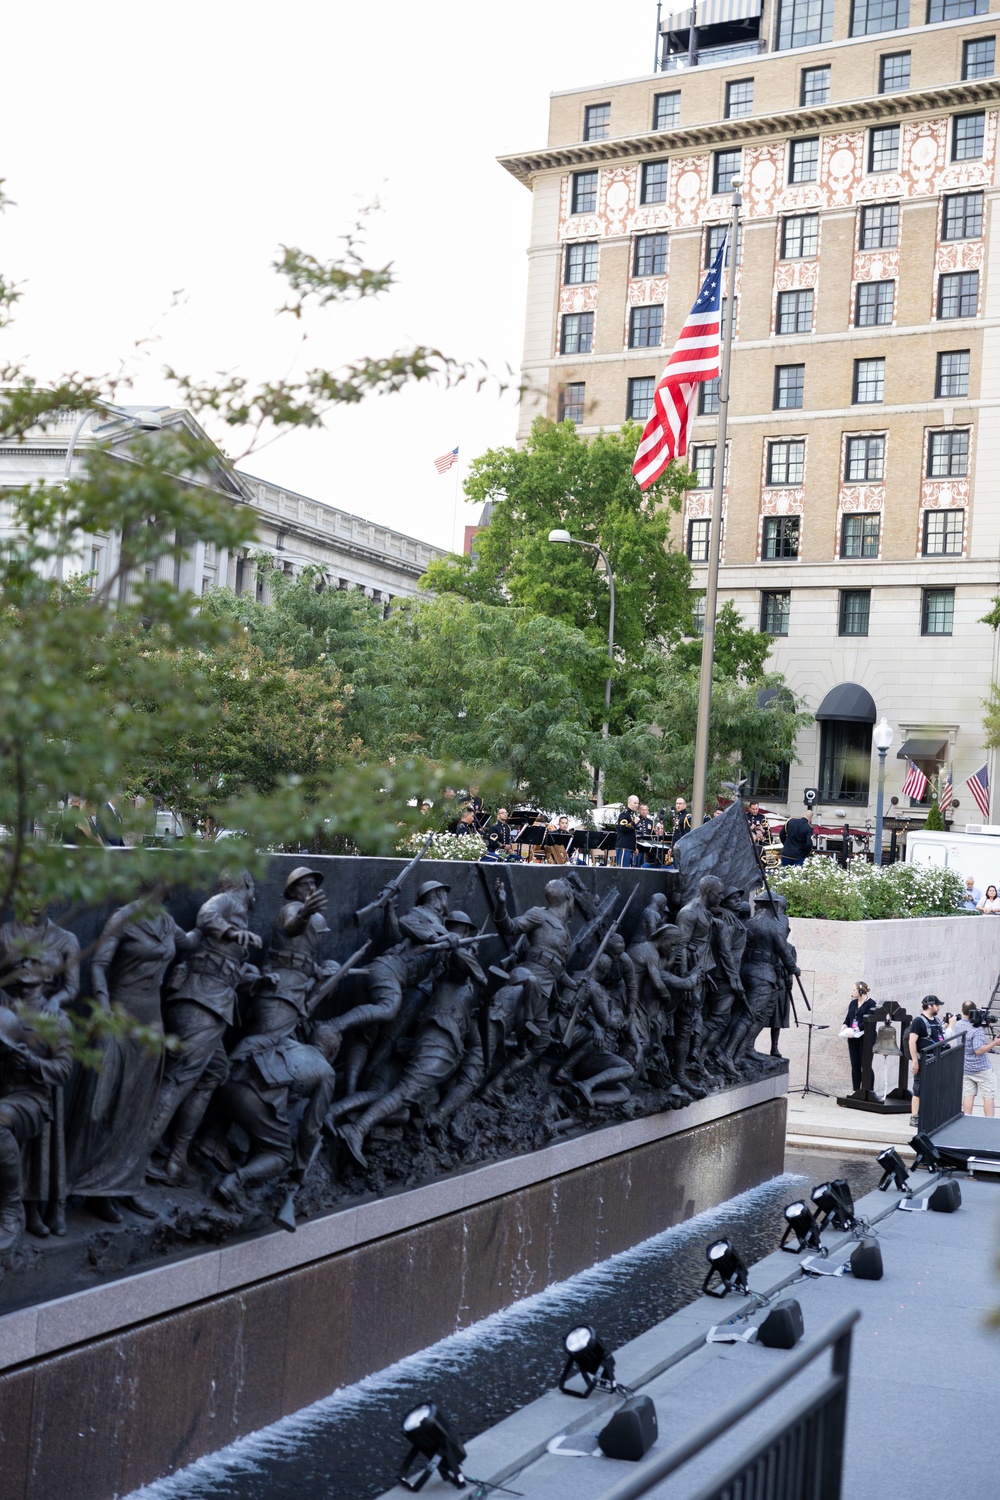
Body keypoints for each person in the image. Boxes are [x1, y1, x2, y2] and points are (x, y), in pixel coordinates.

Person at [946, 1001, 1000, 1117]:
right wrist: (994, 1043)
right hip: (981, 1068)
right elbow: (979, 1050)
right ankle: (989, 1122)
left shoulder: (958, 1024)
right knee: (988, 1095)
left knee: (968, 1094)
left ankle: (967, 1119)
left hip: (966, 1066)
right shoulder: (977, 1029)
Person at [908, 994, 945, 1128]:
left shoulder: (936, 1020)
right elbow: (912, 1042)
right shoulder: (918, 1021)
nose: (939, 1007)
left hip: (937, 1059)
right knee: (918, 1089)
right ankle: (914, 1116)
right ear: (930, 1006)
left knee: (934, 1088)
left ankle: (930, 1113)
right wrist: (915, 1061)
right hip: (923, 1059)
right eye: (937, 1005)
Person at [842, 980, 877, 1093]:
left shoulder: (871, 1004)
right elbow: (849, 1018)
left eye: (854, 990)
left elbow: (872, 1022)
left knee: (865, 1064)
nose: (852, 992)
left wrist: (858, 1028)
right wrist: (844, 1025)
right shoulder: (853, 1003)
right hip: (853, 1038)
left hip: (866, 1039)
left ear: (861, 991)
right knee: (855, 1064)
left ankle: (869, 1090)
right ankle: (856, 1090)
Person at [615, 795, 640, 868]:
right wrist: (634, 823)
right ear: (629, 803)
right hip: (624, 846)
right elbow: (623, 828)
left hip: (629, 848)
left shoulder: (632, 815)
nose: (637, 805)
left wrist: (634, 847)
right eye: (635, 803)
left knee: (628, 870)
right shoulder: (624, 814)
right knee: (622, 869)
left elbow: (632, 834)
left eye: (638, 803)